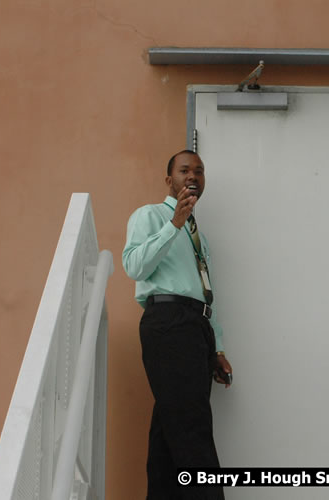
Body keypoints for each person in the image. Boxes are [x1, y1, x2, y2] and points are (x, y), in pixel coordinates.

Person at [123, 149, 232, 500]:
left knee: (168, 432)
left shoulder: (200, 237)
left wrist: (217, 348)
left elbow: (205, 292)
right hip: (168, 322)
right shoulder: (151, 216)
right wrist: (173, 226)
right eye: (185, 170)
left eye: (199, 171)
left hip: (196, 327)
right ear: (169, 180)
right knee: (192, 426)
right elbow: (135, 267)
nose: (193, 176)